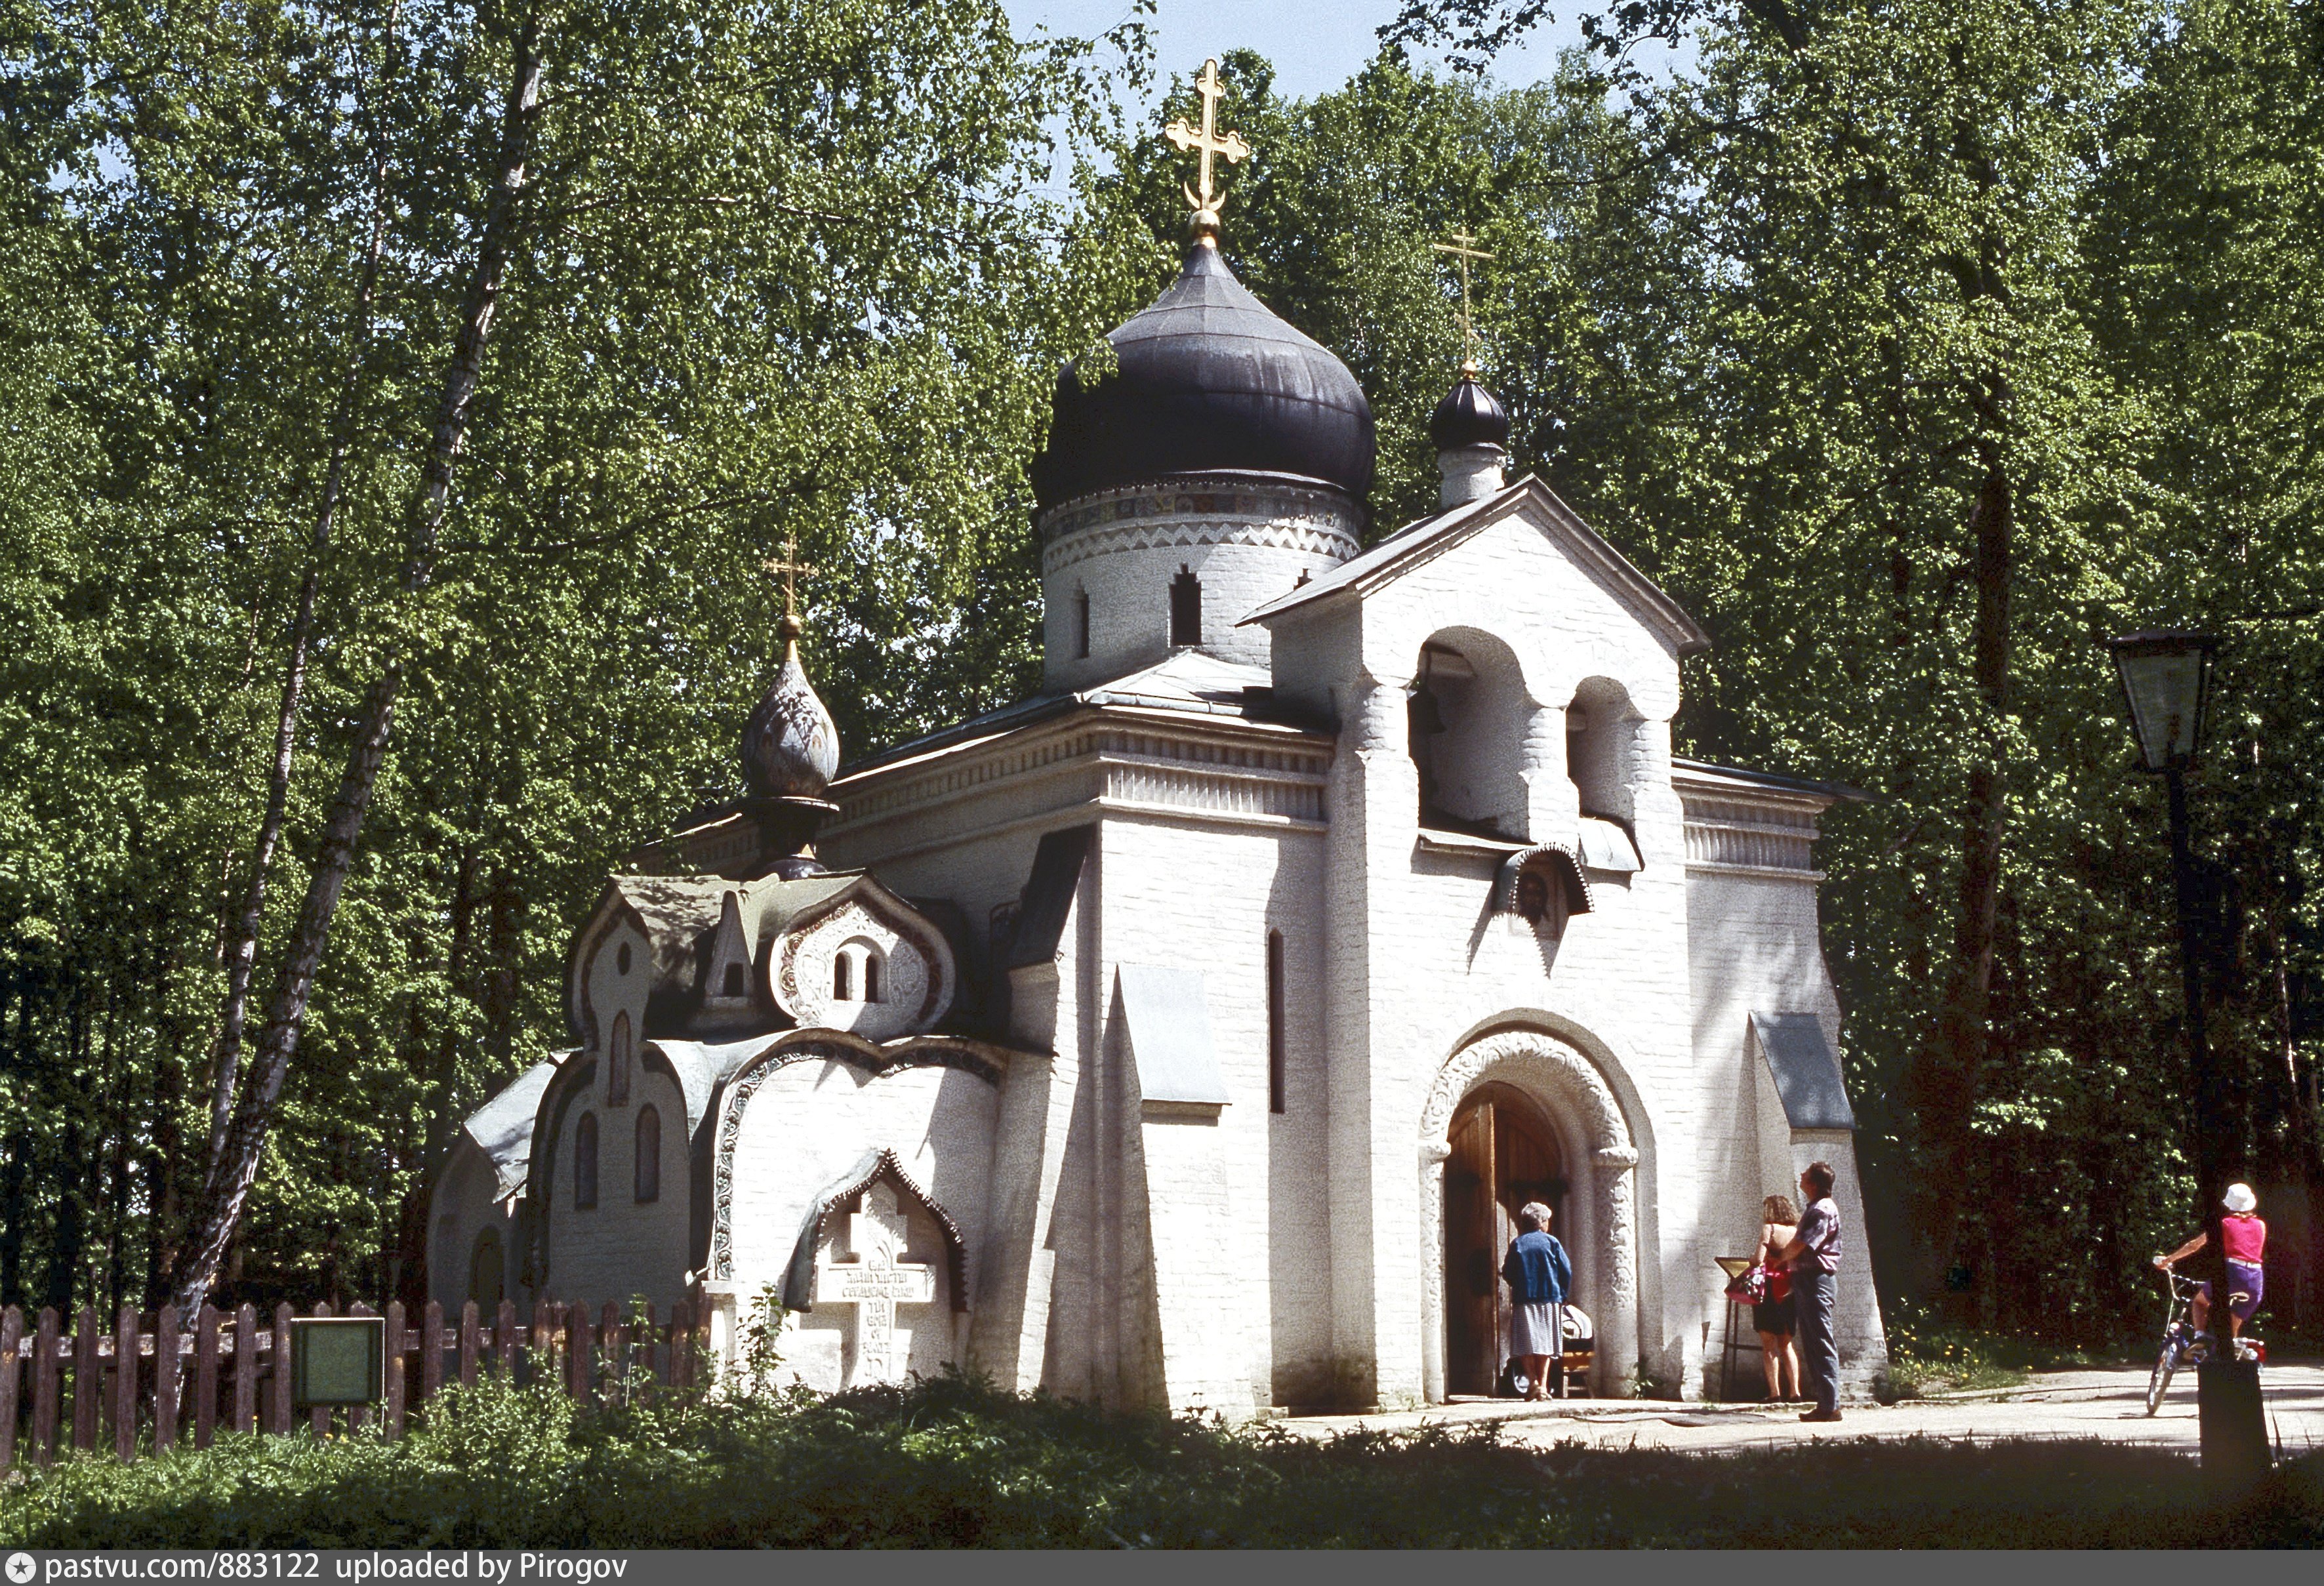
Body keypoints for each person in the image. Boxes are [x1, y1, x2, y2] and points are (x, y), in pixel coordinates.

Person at [2153, 1183, 2266, 1351]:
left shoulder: (2225, 1224)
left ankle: (2200, 1338)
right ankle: (2227, 1360)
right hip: (2256, 1279)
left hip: (2234, 1273)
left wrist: (2168, 1260)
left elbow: (2194, 1246)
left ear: (2229, 1204)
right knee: (2229, 1332)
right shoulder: (2261, 1225)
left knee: (2199, 1302)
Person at [1774, 1161, 1843, 1422]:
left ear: (1813, 1183)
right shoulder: (1815, 1207)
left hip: (1816, 1280)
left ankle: (1829, 1406)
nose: (1801, 1176)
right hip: (1807, 1279)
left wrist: (1778, 1258)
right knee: (1814, 1342)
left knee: (1821, 1341)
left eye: (1805, 1175)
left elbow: (1802, 1244)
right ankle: (1826, 1404)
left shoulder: (1822, 1209)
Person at [1502, 1200, 1574, 1401]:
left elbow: (1508, 1272)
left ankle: (1533, 1382)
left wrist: (1519, 1283)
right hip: (1549, 1298)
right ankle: (1542, 1385)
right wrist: (1562, 1293)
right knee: (1545, 1343)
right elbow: (1566, 1270)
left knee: (1526, 1343)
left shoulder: (1518, 1243)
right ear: (1542, 1222)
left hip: (1524, 1299)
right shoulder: (1552, 1243)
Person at [1752, 1193, 1802, 1403]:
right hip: (1790, 1290)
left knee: (1769, 1345)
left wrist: (1752, 1260)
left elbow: (1758, 1260)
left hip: (1769, 1288)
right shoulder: (1796, 1232)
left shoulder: (1769, 1229)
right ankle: (1795, 1391)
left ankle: (1775, 1393)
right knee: (1787, 1343)